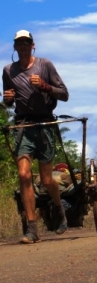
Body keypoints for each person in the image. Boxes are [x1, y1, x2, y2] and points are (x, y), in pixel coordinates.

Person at [2, 30, 69, 243]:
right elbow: (9, 103)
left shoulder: (45, 65)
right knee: (24, 175)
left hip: (45, 124)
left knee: (47, 179)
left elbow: (64, 94)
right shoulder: (8, 71)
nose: (23, 46)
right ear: (14, 47)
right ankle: (32, 229)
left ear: (33, 45)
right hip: (23, 125)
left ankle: (59, 210)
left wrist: (45, 86)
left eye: (26, 42)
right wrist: (8, 98)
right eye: (19, 43)